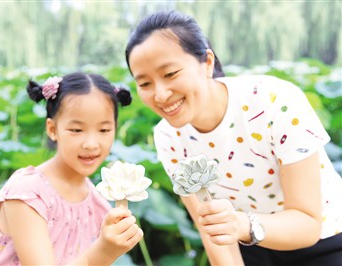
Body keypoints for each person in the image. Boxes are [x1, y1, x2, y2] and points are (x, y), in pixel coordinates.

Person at [125, 10, 342, 266]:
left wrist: (240, 224)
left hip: (324, 240)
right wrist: (237, 229)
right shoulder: (167, 136)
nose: (160, 95)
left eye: (170, 74)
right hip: (249, 244)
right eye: (145, 84)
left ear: (207, 62)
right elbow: (212, 232)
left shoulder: (274, 100)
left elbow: (307, 224)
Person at [0, 72, 142, 265]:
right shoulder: (27, 193)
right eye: (76, 130)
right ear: (52, 129)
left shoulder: (97, 202)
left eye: (104, 130)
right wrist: (104, 251)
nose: (91, 144)